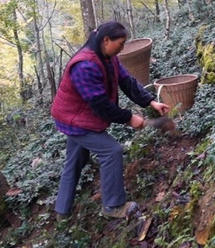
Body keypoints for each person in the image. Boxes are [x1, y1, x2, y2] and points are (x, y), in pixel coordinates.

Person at [51, 21, 170, 221]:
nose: (123, 48)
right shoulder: (84, 65)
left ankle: (62, 211)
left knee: (75, 161)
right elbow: (100, 105)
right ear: (106, 40)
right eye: (120, 43)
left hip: (81, 116)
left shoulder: (107, 56)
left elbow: (126, 81)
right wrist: (129, 118)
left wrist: (150, 102)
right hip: (74, 120)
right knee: (111, 151)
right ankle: (113, 206)